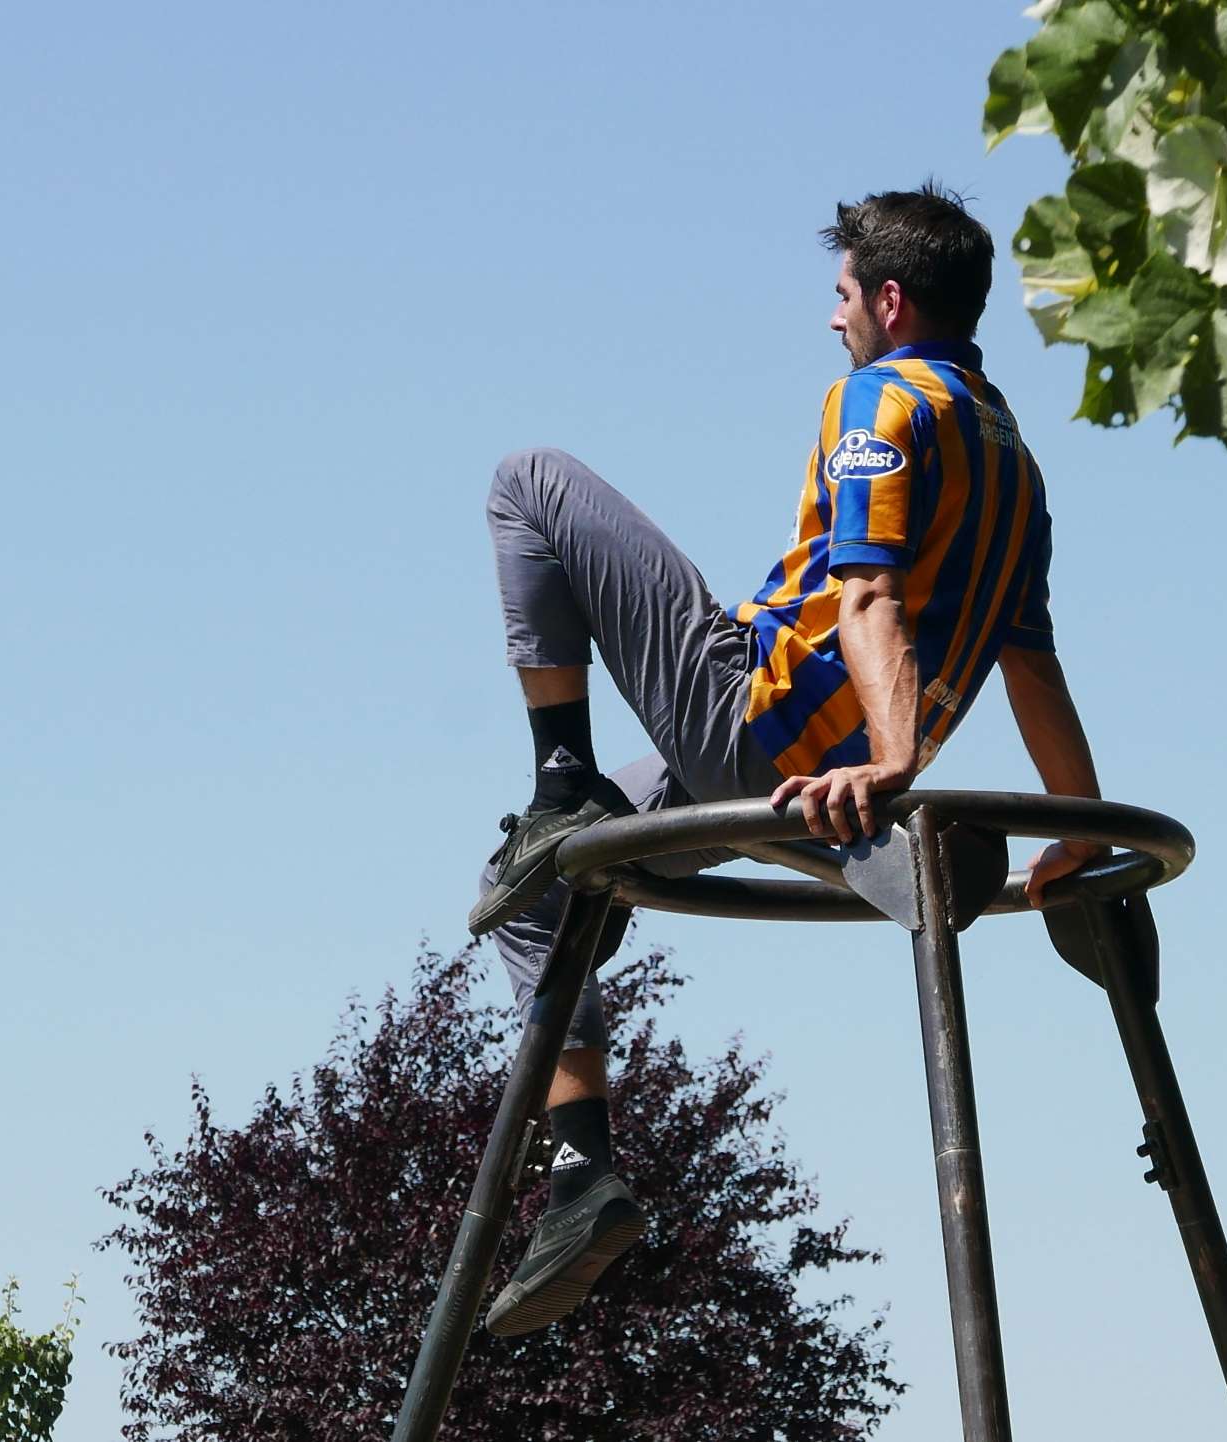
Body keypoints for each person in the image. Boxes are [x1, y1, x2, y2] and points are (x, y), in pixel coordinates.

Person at [470, 182, 1105, 1337]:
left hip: (768, 740)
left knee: (530, 479)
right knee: (531, 900)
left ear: (892, 300)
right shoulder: (1018, 465)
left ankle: (561, 780)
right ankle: (579, 1178)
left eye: (844, 294)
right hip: (817, 796)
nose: (834, 318)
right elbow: (1032, 669)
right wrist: (1083, 823)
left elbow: (867, 593)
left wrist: (895, 764)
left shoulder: (880, 398)